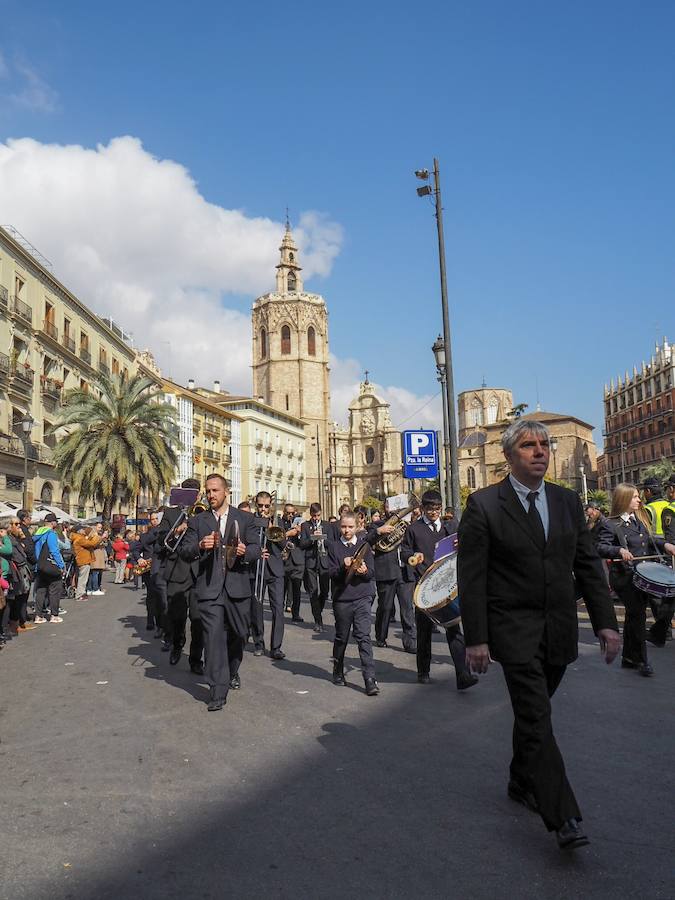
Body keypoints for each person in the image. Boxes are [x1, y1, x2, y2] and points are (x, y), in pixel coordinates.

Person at [457, 419, 620, 851]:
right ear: (509, 456)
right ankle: (562, 814)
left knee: (535, 714)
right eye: (529, 445)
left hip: (560, 630)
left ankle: (519, 778)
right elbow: (471, 577)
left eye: (544, 444)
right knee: (537, 716)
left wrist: (605, 622)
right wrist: (476, 638)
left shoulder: (568, 502)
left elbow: (586, 565)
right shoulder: (485, 504)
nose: (540, 451)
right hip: (513, 631)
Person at [180, 474, 260, 712]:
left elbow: (257, 548)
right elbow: (185, 552)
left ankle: (231, 670)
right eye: (208, 491)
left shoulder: (245, 519)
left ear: (226, 492)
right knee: (213, 639)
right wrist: (199, 546)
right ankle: (217, 690)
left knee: (239, 635)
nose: (211, 495)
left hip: (238, 589)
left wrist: (247, 551)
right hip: (209, 590)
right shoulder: (198, 521)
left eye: (215, 490)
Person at [401, 489, 477, 690]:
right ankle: (423, 671)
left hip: (446, 584)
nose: (434, 512)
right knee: (424, 632)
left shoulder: (450, 526)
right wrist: (413, 557)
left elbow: (467, 545)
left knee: (453, 628)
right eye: (429, 509)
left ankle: (463, 674)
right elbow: (405, 552)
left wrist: (463, 543)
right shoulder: (414, 529)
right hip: (424, 586)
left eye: (436, 509)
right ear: (423, 509)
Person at [596, 483, 675, 675]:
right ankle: (642, 661)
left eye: (639, 496)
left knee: (636, 614)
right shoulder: (610, 524)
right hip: (624, 577)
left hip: (642, 574)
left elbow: (648, 539)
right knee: (638, 615)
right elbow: (600, 547)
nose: (639, 500)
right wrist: (619, 550)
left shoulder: (638, 519)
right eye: (635, 497)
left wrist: (666, 545)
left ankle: (630, 658)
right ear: (624, 499)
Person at [327, 511, 379, 695]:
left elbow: (372, 573)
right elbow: (331, 573)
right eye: (343, 527)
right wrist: (344, 565)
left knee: (364, 636)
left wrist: (364, 571)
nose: (347, 530)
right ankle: (338, 668)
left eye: (350, 527)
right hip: (343, 598)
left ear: (357, 527)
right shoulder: (333, 547)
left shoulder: (364, 545)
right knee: (342, 636)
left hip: (362, 597)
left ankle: (369, 679)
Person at [367, 499, 416, 653]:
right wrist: (379, 532)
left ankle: (410, 642)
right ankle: (381, 636)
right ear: (385, 508)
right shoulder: (377, 525)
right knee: (385, 607)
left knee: (407, 609)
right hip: (386, 571)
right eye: (389, 506)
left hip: (405, 571)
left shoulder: (410, 525)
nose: (394, 509)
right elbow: (367, 541)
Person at [250, 492, 286, 660]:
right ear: (255, 505)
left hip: (275, 569)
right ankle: (258, 642)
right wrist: (257, 551)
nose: (263, 509)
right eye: (260, 505)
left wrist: (272, 528)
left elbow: (284, 543)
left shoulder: (277, 521)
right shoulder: (250, 521)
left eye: (266, 506)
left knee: (278, 608)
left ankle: (276, 647)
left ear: (271, 505)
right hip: (258, 568)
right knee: (256, 607)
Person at [299, 503, 331, 633]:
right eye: (314, 516)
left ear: (321, 513)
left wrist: (323, 537)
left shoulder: (327, 525)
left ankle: (318, 608)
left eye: (318, 515)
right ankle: (318, 620)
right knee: (313, 591)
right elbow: (302, 544)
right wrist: (313, 538)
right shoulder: (305, 526)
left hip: (324, 560)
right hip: (311, 561)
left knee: (324, 591)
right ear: (310, 514)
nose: (316, 518)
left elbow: (332, 543)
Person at [32, 513, 66, 623]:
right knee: (55, 590)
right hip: (51, 566)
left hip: (39, 565)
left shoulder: (37, 532)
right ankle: (54, 615)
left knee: (41, 590)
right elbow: (54, 551)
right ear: (52, 522)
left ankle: (38, 616)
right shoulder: (50, 533)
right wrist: (61, 565)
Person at [6, 518, 36, 632]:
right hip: (16, 572)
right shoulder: (10, 540)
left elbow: (26, 550)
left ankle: (19, 622)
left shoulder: (16, 538)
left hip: (22, 570)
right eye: (16, 524)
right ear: (9, 526)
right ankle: (14, 624)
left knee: (22, 597)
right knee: (16, 598)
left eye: (19, 523)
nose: (19, 526)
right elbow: (19, 557)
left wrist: (23, 538)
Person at [280, 503, 304, 621]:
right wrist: (289, 533)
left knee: (296, 589)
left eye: (292, 513)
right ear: (284, 512)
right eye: (288, 513)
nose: (290, 515)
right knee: (282, 588)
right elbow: (276, 537)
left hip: (297, 560)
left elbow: (305, 541)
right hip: (284, 559)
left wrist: (300, 534)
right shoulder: (279, 523)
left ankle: (296, 613)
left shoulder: (299, 523)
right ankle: (279, 611)